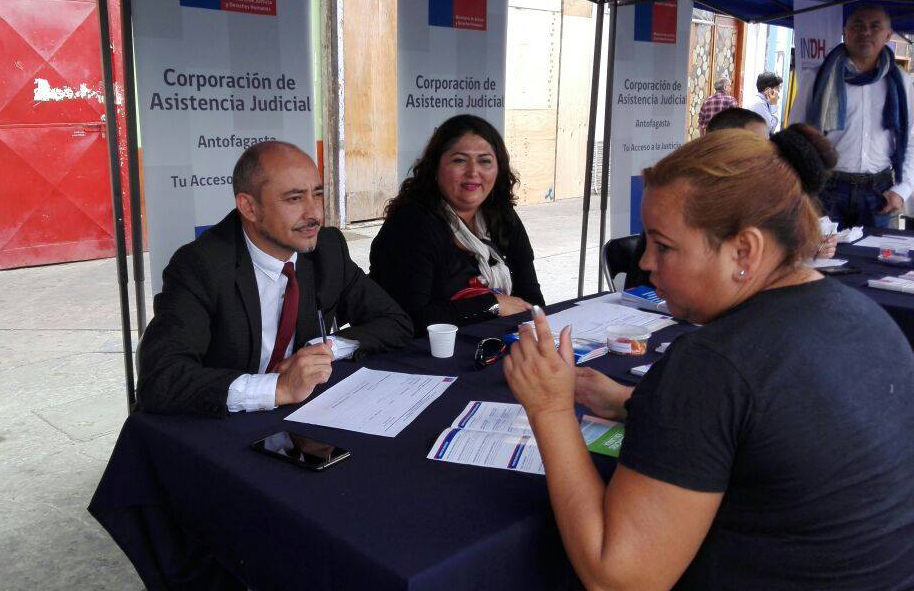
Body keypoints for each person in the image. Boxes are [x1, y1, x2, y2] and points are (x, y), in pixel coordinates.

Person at [504, 125, 914, 590]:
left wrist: (550, 409)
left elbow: (619, 579)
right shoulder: (863, 315)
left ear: (744, 249)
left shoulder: (712, 364)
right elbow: (770, 426)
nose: (644, 263)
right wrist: (630, 402)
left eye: (664, 246)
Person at [137, 141, 412, 417]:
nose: (314, 213)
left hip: (301, 422)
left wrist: (326, 349)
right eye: (294, 199)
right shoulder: (202, 265)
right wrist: (278, 388)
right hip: (221, 424)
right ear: (249, 207)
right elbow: (160, 379)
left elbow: (395, 322)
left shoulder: (327, 250)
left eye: (317, 195)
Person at [369, 114, 544, 333]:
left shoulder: (502, 217)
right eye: (459, 160)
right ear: (435, 168)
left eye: (485, 161)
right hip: (426, 357)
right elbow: (409, 320)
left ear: (498, 169)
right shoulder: (411, 225)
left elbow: (532, 300)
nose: (473, 172)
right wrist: (492, 304)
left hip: (495, 344)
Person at [792, 4, 914, 229]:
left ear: (888, 35)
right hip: (826, 189)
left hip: (879, 193)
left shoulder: (902, 82)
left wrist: (903, 189)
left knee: (873, 261)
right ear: (845, 31)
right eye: (857, 25)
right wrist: (803, 188)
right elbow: (796, 136)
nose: (865, 32)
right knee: (820, 259)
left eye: (875, 26)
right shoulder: (817, 77)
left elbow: (911, 139)